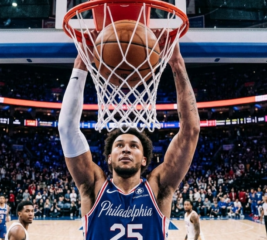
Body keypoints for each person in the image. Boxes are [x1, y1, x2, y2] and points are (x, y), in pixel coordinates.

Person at [58, 31, 200, 240]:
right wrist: (81, 64)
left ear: (144, 159)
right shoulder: (94, 187)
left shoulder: (158, 188)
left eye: (134, 146)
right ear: (109, 158)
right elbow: (66, 128)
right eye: (119, 145)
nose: (125, 148)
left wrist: (177, 63)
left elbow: (190, 132)